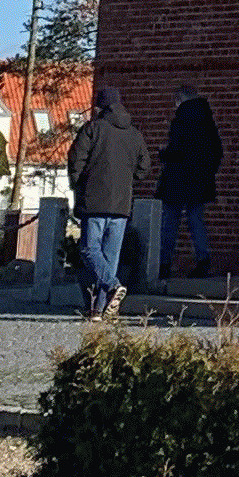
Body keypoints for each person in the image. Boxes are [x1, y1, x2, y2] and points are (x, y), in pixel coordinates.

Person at [63, 89, 150, 318]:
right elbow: (144, 168)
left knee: (90, 249)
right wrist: (126, 179)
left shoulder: (93, 129)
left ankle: (112, 285)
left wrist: (78, 185)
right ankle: (99, 310)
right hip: (121, 203)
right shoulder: (134, 134)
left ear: (99, 107)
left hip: (94, 200)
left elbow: (76, 160)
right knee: (110, 257)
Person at [155, 82, 223, 280]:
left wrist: (164, 154)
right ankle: (203, 261)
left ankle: (164, 263)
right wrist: (208, 172)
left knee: (170, 222)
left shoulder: (181, 119)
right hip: (200, 180)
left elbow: (177, 150)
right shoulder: (207, 121)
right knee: (196, 220)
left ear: (180, 99)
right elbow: (217, 151)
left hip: (177, 179)